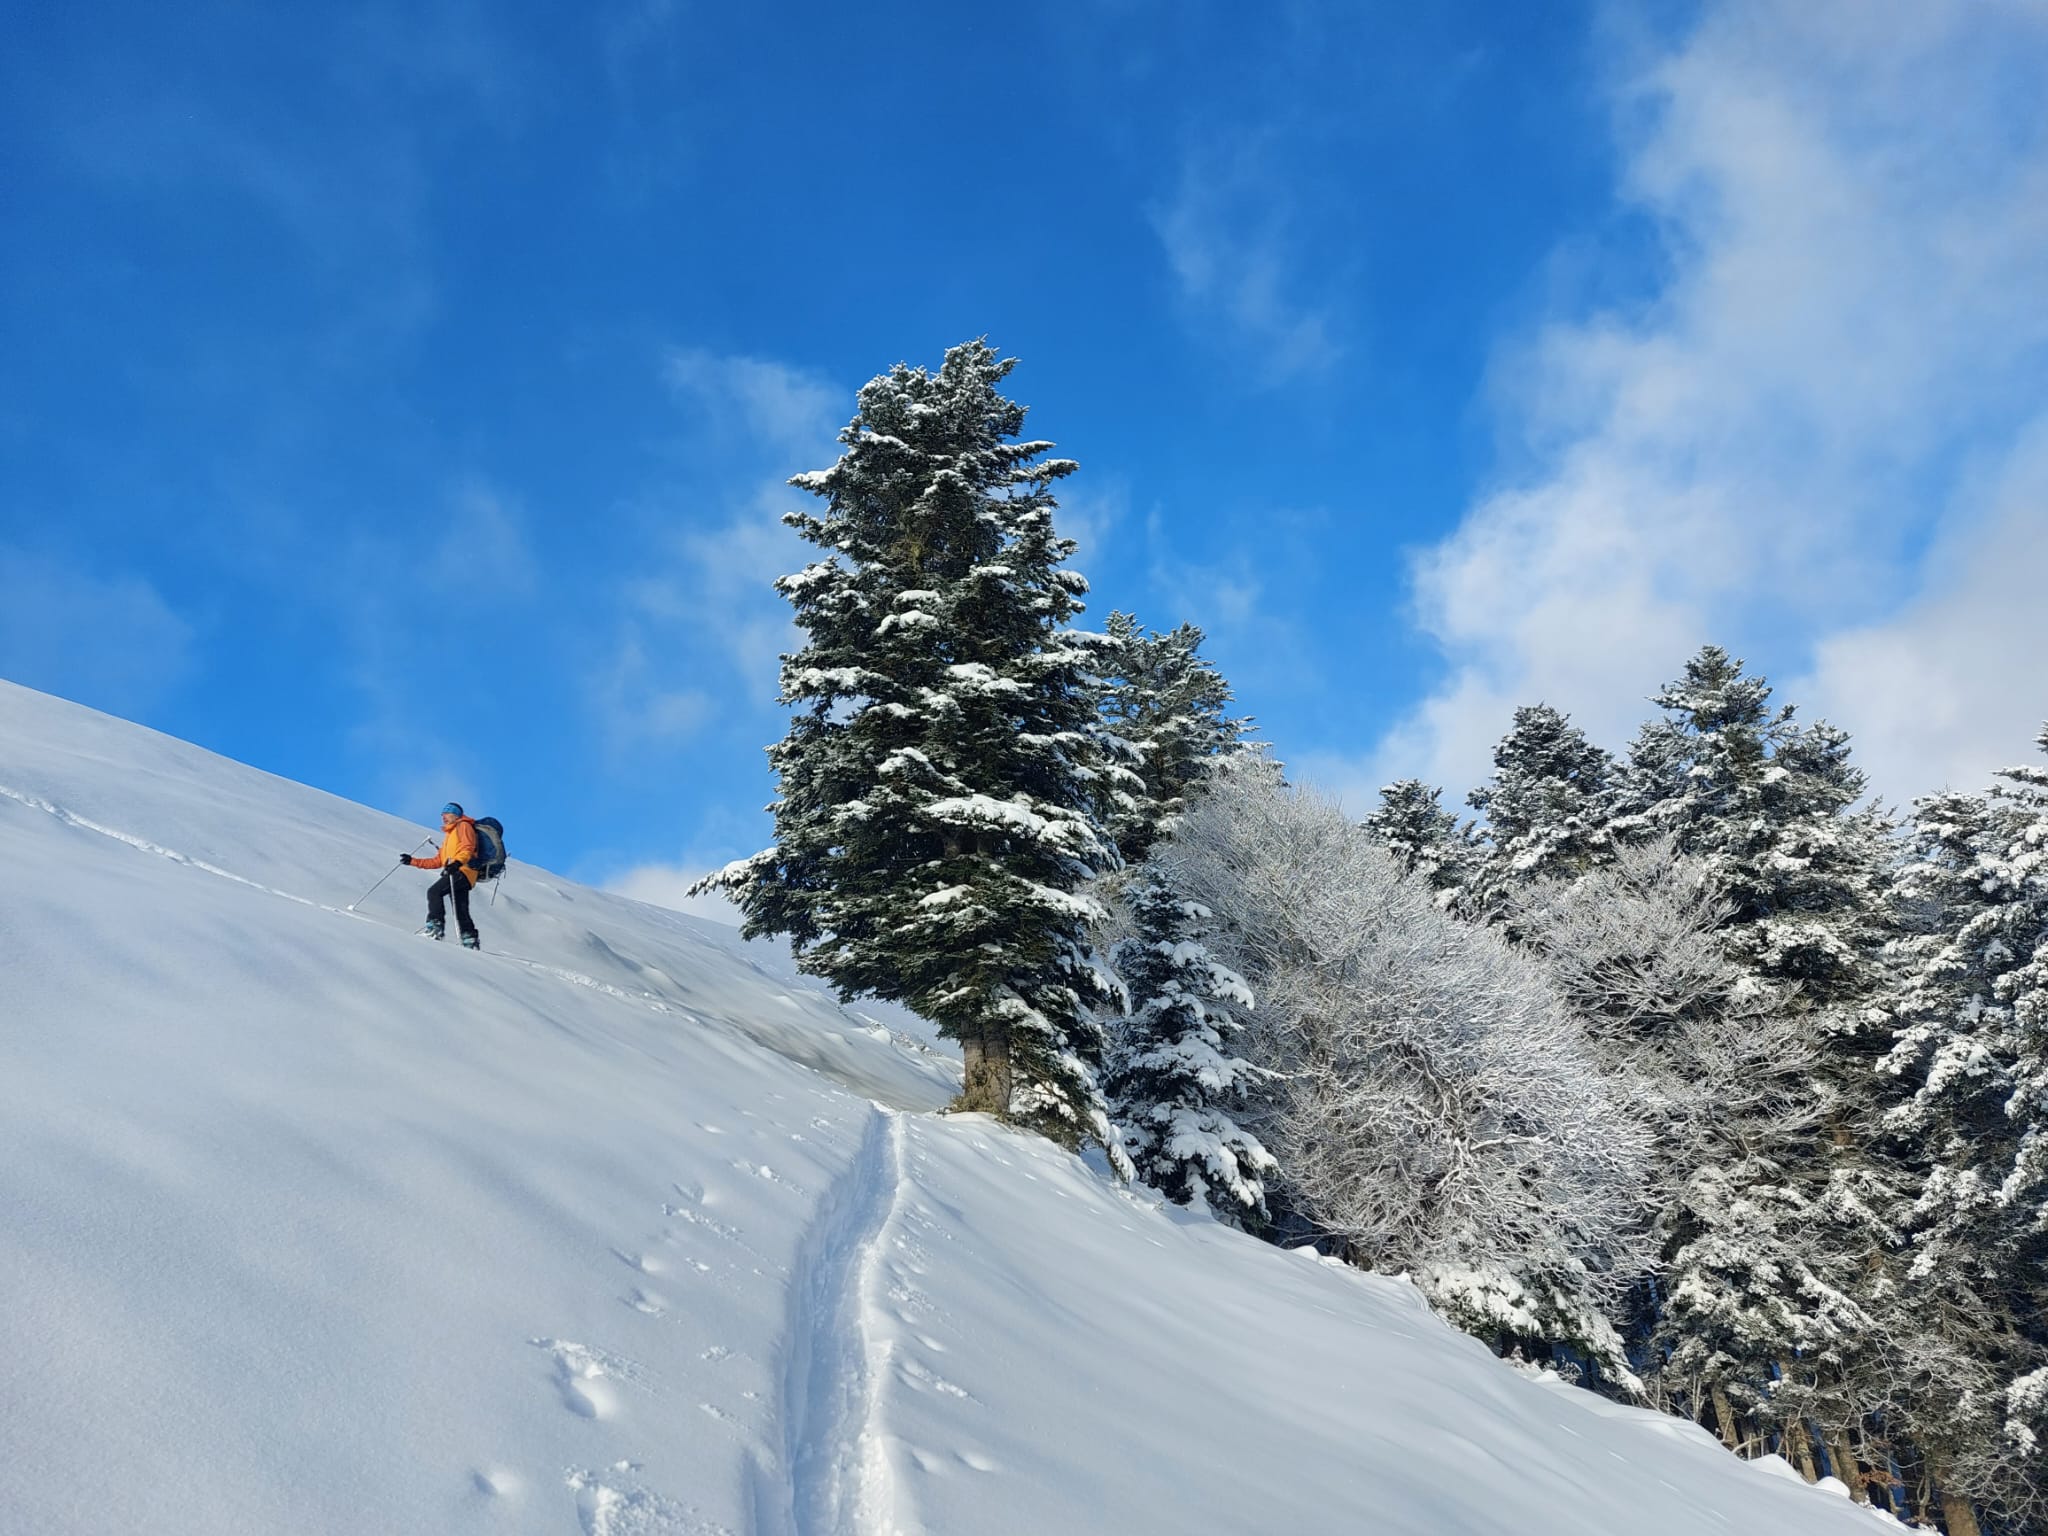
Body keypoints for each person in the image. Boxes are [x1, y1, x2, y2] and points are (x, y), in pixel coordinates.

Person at [403, 802, 481, 949]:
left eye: (447, 813)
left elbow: (468, 848)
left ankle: (435, 928)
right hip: (460, 872)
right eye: (442, 814)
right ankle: (469, 939)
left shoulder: (463, 826)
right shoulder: (449, 835)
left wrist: (457, 863)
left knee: (434, 892)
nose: (443, 817)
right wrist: (412, 861)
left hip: (462, 871)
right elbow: (437, 861)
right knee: (460, 908)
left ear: (456, 815)